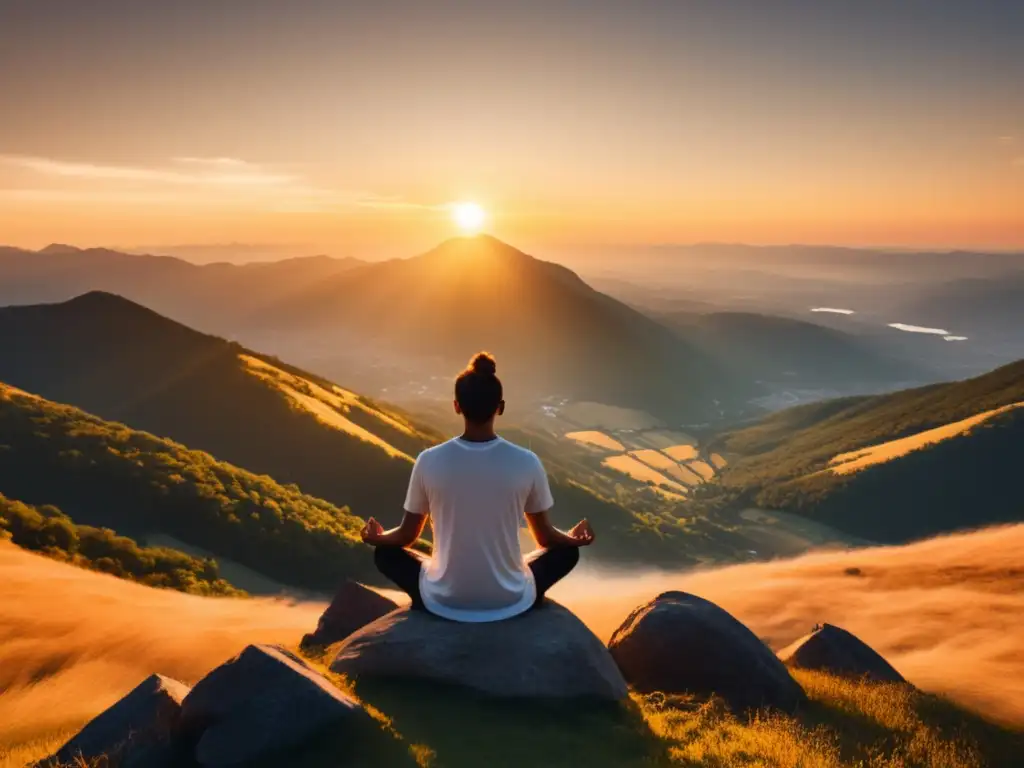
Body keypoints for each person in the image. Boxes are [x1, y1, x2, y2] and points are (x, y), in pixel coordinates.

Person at [360, 351, 595, 622]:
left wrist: (376, 538)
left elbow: (405, 536)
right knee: (567, 554)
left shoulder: (429, 460)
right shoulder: (527, 462)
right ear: (501, 407)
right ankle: (519, 594)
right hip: (511, 600)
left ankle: (436, 601)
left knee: (386, 555)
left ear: (457, 406)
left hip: (442, 600)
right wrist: (573, 539)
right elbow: (545, 539)